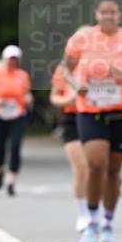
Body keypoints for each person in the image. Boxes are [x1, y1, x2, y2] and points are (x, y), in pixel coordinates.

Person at [61, 0, 122, 242]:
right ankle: (91, 221)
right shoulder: (82, 38)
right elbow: (65, 68)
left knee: (113, 169)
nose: (108, 16)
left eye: (113, 12)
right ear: (96, 14)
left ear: (120, 15)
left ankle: (108, 222)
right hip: (91, 110)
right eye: (104, 12)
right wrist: (74, 85)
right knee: (95, 164)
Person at [49, 61, 88, 231]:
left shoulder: (99, 63)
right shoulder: (64, 69)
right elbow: (54, 97)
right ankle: (83, 213)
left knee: (95, 167)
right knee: (81, 167)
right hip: (71, 118)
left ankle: (95, 209)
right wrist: (68, 100)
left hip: (94, 117)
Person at [0, 45, 32, 195]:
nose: (12, 62)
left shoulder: (22, 75)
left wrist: (28, 98)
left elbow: (26, 93)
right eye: (9, 59)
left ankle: (11, 180)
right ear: (4, 59)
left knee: (15, 145)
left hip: (17, 115)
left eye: (15, 59)